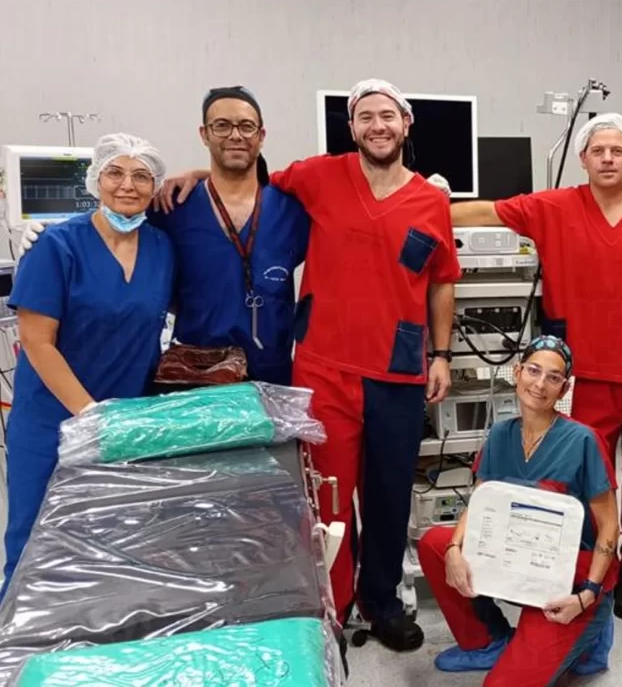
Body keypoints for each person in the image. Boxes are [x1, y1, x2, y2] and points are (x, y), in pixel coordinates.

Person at [157, 78, 459, 651]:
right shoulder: (317, 176)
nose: (377, 126)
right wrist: (198, 173)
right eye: (365, 116)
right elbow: (243, 173)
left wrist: (441, 354)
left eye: (388, 116)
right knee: (328, 496)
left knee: (390, 494)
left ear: (406, 124)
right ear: (352, 128)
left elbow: (442, 280)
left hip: (398, 370)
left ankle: (381, 601)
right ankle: (331, 607)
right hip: (325, 367)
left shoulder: (431, 201)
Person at [442, 113, 622, 620]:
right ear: (583, 159)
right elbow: (486, 212)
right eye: (598, 151)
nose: (608, 158)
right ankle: (588, 570)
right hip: (582, 371)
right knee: (583, 477)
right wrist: (422, 206)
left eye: (618, 151)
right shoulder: (552, 207)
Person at [22, 87, 310, 386]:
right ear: (204, 134)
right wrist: (54, 231)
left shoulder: (292, 211)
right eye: (222, 125)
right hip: (196, 377)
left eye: (246, 126)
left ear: (261, 135)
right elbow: (116, 217)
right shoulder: (171, 208)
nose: (235, 135)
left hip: (273, 374)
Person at [2, 133, 175, 599]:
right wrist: (90, 415)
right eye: (115, 172)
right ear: (95, 179)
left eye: (142, 176)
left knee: (112, 547)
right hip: (53, 424)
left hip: (125, 422)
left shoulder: (162, 248)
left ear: (155, 187)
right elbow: (36, 342)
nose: (127, 185)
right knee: (38, 547)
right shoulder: (56, 245)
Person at [418, 336, 618, 685]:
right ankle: (488, 640)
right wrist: (453, 549)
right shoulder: (500, 435)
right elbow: (480, 501)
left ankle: (593, 634)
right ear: (517, 372)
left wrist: (587, 594)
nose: (540, 384)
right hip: (515, 556)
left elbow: (609, 527)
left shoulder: (583, 441)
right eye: (533, 371)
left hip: (570, 579)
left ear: (564, 388)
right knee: (435, 543)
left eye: (553, 378)